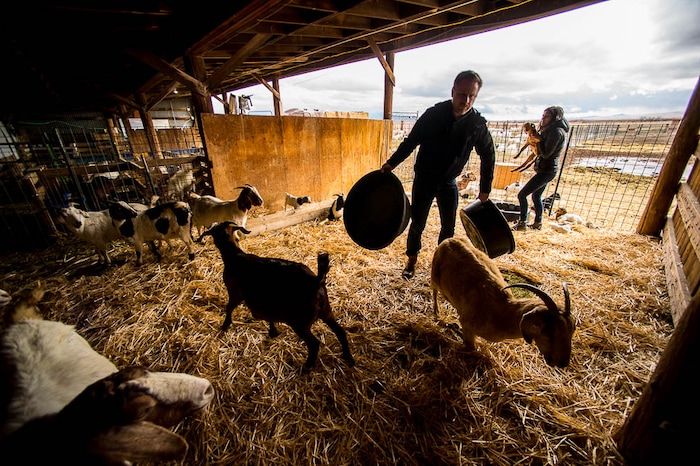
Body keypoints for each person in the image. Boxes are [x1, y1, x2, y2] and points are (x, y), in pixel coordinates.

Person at [380, 70, 496, 279]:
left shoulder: (476, 124)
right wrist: (391, 163)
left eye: (472, 96)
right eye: (462, 94)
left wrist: (485, 189)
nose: (466, 100)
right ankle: (411, 260)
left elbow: (488, 155)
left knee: (448, 227)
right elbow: (411, 141)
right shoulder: (433, 115)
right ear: (453, 91)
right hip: (425, 178)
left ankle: (440, 265)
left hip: (449, 181)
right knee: (418, 222)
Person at [512, 106, 570, 231]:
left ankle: (522, 223)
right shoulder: (548, 130)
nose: (543, 118)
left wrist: (537, 142)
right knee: (536, 196)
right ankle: (537, 223)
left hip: (547, 170)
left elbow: (545, 154)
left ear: (555, 117)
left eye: (547, 116)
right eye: (543, 115)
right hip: (545, 169)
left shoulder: (556, 132)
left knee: (522, 195)